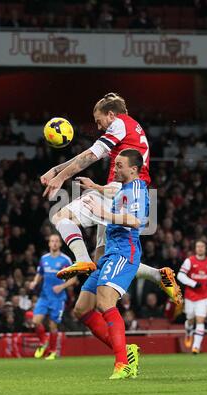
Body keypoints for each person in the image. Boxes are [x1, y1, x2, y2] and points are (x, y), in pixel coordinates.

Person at [41, 92, 181, 305]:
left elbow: (89, 156)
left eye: (99, 121)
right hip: (129, 192)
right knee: (102, 259)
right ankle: (157, 275)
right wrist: (56, 169)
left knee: (61, 217)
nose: (99, 127)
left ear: (110, 114)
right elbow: (88, 153)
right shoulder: (131, 127)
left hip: (118, 191)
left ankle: (81, 260)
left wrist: (60, 177)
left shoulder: (118, 125)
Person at [74, 149, 149, 379]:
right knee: (82, 309)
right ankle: (126, 352)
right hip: (111, 252)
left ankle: (122, 364)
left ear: (133, 169)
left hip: (125, 251)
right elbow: (111, 193)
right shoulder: (123, 189)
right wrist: (94, 187)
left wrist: (103, 213)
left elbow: (137, 221)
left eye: (119, 165)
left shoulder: (137, 188)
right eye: (114, 165)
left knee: (106, 301)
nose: (114, 169)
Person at [29, 234, 77, 360]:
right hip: (44, 296)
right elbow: (40, 273)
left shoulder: (65, 260)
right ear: (49, 243)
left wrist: (62, 287)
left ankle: (53, 351)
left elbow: (74, 279)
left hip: (58, 298)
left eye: (56, 241)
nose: (54, 243)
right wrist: (34, 282)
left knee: (52, 326)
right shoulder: (44, 259)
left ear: (60, 244)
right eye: (52, 241)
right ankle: (43, 341)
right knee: (35, 322)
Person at [177, 240, 207, 354]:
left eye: (202, 246)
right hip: (190, 295)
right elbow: (180, 275)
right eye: (198, 246)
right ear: (195, 248)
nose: (200, 248)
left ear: (205, 248)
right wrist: (193, 283)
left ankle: (196, 347)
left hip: (204, 296)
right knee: (190, 319)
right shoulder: (189, 261)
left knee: (200, 320)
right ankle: (188, 332)